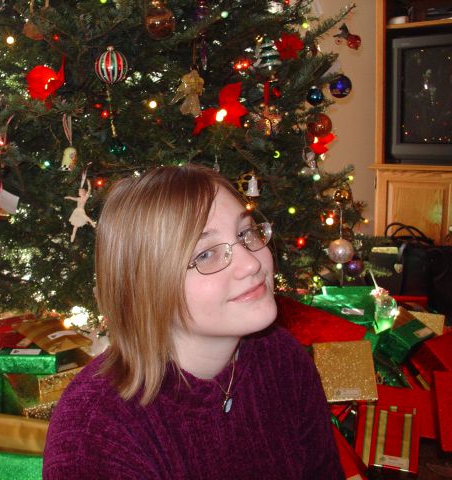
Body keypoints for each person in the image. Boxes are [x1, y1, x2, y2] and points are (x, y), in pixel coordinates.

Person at [44, 164, 344, 479]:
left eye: (246, 233)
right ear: (146, 287)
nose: (251, 263)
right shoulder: (94, 438)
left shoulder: (280, 357)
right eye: (205, 254)